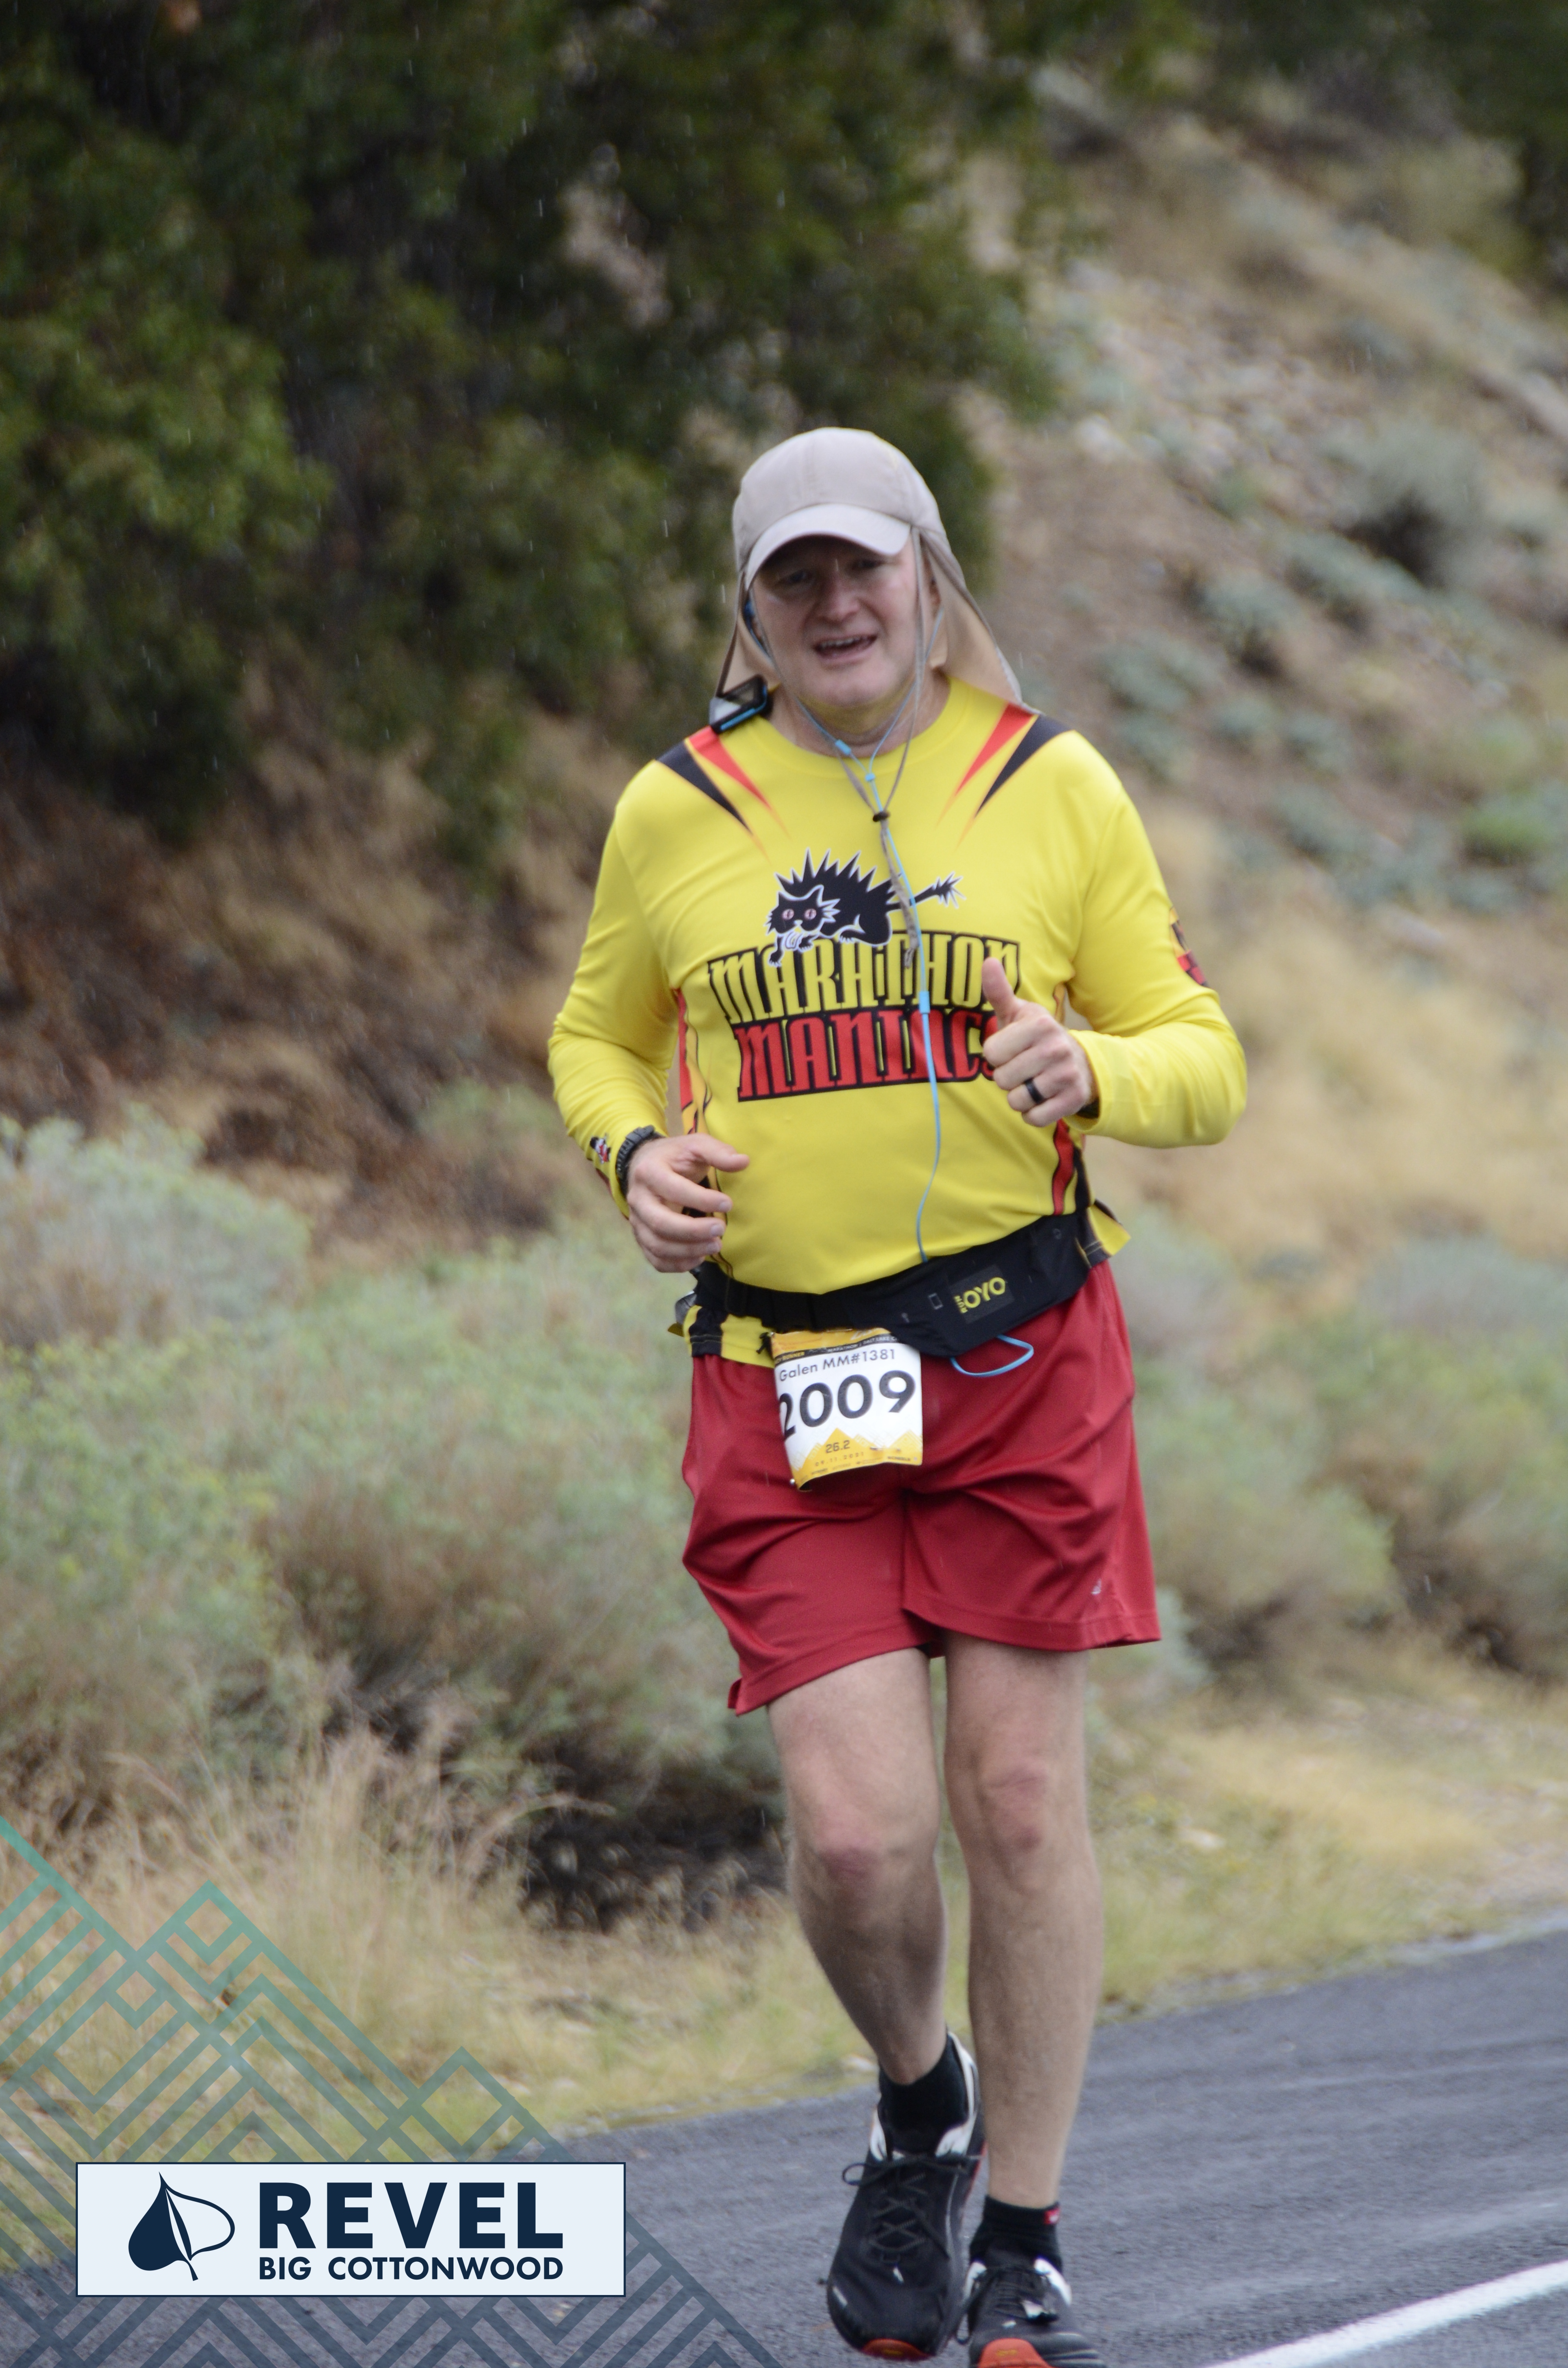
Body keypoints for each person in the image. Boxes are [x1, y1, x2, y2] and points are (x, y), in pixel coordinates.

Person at [550, 427, 1246, 2368]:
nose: (839, 603)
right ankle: (921, 2102)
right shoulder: (679, 808)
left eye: (869, 566)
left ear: (932, 582)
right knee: (858, 1840)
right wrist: (632, 1157)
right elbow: (595, 1037)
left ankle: (1021, 2227)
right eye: (798, 577)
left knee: (1015, 1799)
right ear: (751, 612)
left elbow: (1203, 1055)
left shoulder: (1048, 783)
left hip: (1020, 1361)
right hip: (789, 1383)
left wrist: (1095, 1068)